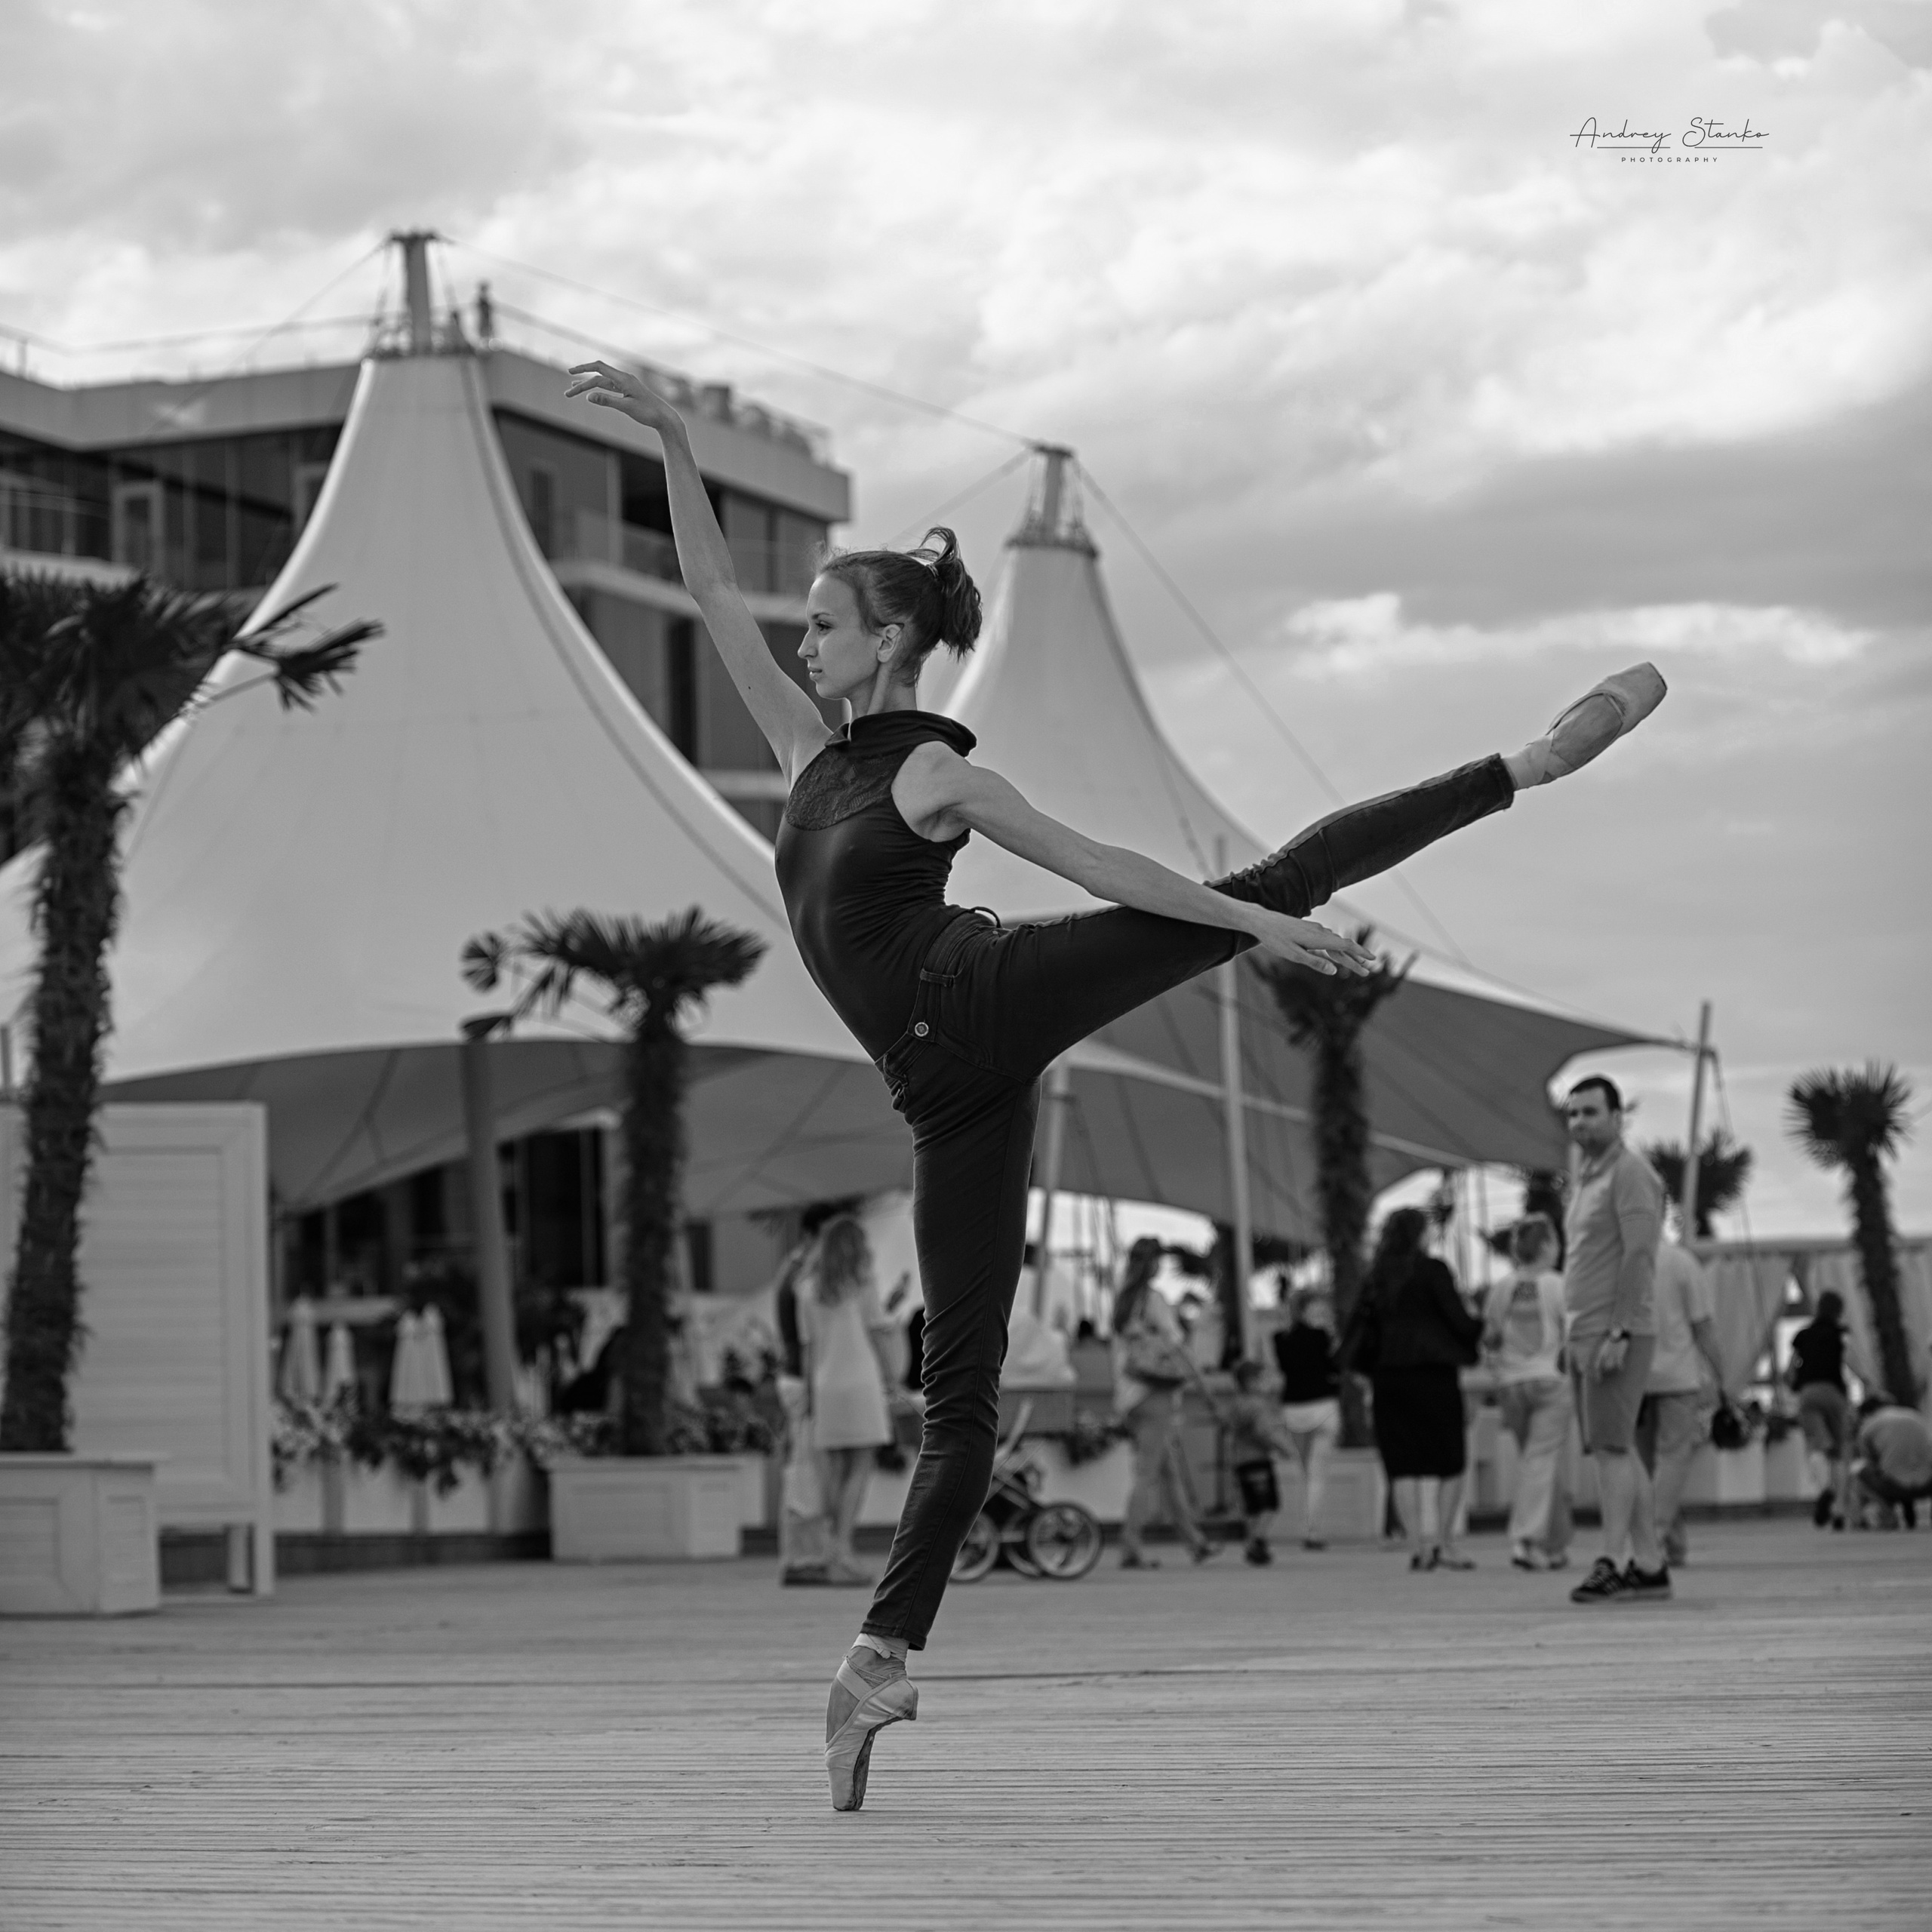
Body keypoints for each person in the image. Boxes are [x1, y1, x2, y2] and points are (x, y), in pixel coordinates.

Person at [564, 352, 1669, 1810]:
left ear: (890, 640)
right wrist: (678, 441)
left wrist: (1256, 928)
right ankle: (878, 1660)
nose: (803, 637)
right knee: (958, 1399)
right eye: (808, 624)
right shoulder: (800, 748)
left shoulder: (933, 778)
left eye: (828, 622)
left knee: (1260, 877)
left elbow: (1106, 868)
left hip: (984, 988)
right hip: (944, 1094)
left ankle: (1519, 764)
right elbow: (710, 590)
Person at [1561, 1076, 1672, 1604]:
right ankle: (1649, 1565)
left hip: (1616, 1331)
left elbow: (1639, 1255)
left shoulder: (1630, 1173)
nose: (1580, 1122)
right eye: (1573, 1113)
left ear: (1617, 1116)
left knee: (1610, 1449)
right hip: (1588, 1331)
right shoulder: (1588, 1177)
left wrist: (1620, 1330)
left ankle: (1612, 1560)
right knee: (1618, 1447)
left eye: (1590, 1112)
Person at [1353, 1207, 1484, 1571]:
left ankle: (1418, 1546)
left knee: (1403, 1464)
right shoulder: (1433, 1270)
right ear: (1419, 1234)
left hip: (1389, 1378)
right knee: (1451, 1461)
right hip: (1434, 1375)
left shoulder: (1376, 1276)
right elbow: (1457, 1319)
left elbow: (1360, 1333)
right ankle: (1444, 1542)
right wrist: (1478, 1330)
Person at [798, 1215, 897, 1587]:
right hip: (861, 1382)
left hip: (826, 1385)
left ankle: (833, 1549)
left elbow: (808, 1349)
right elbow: (877, 1334)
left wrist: (810, 1395)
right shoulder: (862, 1284)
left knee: (835, 1472)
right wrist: (891, 1378)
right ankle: (842, 1547)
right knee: (860, 1468)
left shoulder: (807, 1289)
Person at [1112, 1238, 1216, 1571]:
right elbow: (1178, 1346)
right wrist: (1202, 1386)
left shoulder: (1122, 1301)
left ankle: (1195, 1542)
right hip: (1155, 1395)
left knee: (1168, 1473)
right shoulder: (1153, 1300)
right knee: (1146, 1474)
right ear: (1152, 1263)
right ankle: (1129, 1545)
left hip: (1130, 1397)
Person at [1481, 1214, 1574, 1572]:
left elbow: (1490, 1336)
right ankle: (1527, 1539)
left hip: (1512, 1383)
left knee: (1537, 1464)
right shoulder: (1558, 1285)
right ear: (1547, 1246)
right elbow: (1573, 1334)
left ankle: (1555, 1543)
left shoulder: (1501, 1288)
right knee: (1542, 1462)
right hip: (1550, 1380)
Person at [1635, 1229, 1724, 1567]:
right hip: (1678, 1377)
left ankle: (1674, 1544)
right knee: (1673, 1459)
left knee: (1645, 1466)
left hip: (1635, 1379)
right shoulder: (1681, 1262)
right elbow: (1703, 1325)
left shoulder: (1621, 1262)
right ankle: (1655, 1537)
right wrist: (1720, 1373)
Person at [1787, 1290, 1866, 1531]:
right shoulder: (1839, 1334)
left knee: (1816, 1445)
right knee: (1841, 1450)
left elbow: (1789, 1370)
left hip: (1808, 1393)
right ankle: (1839, 1507)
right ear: (1839, 1311)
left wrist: (1795, 1387)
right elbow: (1851, 1362)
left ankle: (1824, 1489)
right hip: (1833, 1393)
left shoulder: (1803, 1335)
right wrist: (1869, 1383)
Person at [1272, 1285, 1342, 1549]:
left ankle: (1311, 1525)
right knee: (1317, 1475)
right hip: (1323, 1407)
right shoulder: (1323, 1337)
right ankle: (1312, 1530)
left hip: (1294, 1411)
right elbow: (1335, 1366)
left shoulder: (1280, 1338)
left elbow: (1284, 1368)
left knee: (1306, 1474)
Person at [1224, 1358, 1297, 1563]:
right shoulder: (1258, 1406)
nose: (1269, 1383)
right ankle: (1258, 1540)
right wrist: (1285, 1449)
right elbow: (1265, 1431)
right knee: (1269, 1505)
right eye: (1264, 1379)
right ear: (1251, 1382)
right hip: (1258, 1460)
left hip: (1240, 1461)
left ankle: (1251, 1542)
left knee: (1252, 1507)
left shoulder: (1236, 1404)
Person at [1851, 1397, 1932, 1528]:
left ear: (1866, 1414)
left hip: (1895, 1487)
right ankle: (1909, 1513)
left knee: (1858, 1473)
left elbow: (1871, 1463)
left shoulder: (1869, 1425)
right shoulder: (1915, 1416)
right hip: (1928, 1484)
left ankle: (1886, 1517)